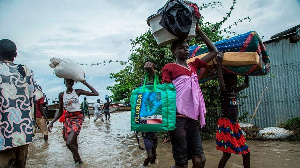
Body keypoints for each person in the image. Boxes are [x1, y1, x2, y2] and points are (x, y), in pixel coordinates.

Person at [144, 24, 222, 168]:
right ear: (173, 51)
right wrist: (152, 73)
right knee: (181, 163)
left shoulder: (194, 65)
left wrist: (199, 31)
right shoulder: (169, 68)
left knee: (200, 159)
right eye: (181, 47)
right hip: (177, 119)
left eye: (187, 47)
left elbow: (214, 51)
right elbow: (164, 91)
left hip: (191, 119)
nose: (185, 49)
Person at [0, 39, 42, 168]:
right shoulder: (24, 70)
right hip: (23, 133)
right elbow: (35, 96)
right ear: (15, 55)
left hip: (3, 135)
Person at [48, 78, 98, 165]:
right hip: (68, 119)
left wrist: (85, 83)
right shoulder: (61, 95)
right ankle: (76, 162)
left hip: (77, 118)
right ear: (64, 82)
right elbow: (60, 111)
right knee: (74, 142)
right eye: (67, 81)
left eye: (71, 81)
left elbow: (96, 93)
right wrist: (52, 122)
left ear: (73, 83)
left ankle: (80, 161)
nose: (69, 83)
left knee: (69, 143)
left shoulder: (78, 92)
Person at [216, 56, 250, 168]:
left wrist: (247, 71)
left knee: (246, 152)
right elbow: (221, 83)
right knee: (227, 154)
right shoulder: (224, 91)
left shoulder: (234, 91)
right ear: (226, 80)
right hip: (226, 124)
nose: (235, 80)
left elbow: (246, 84)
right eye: (233, 78)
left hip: (234, 124)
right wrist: (219, 64)